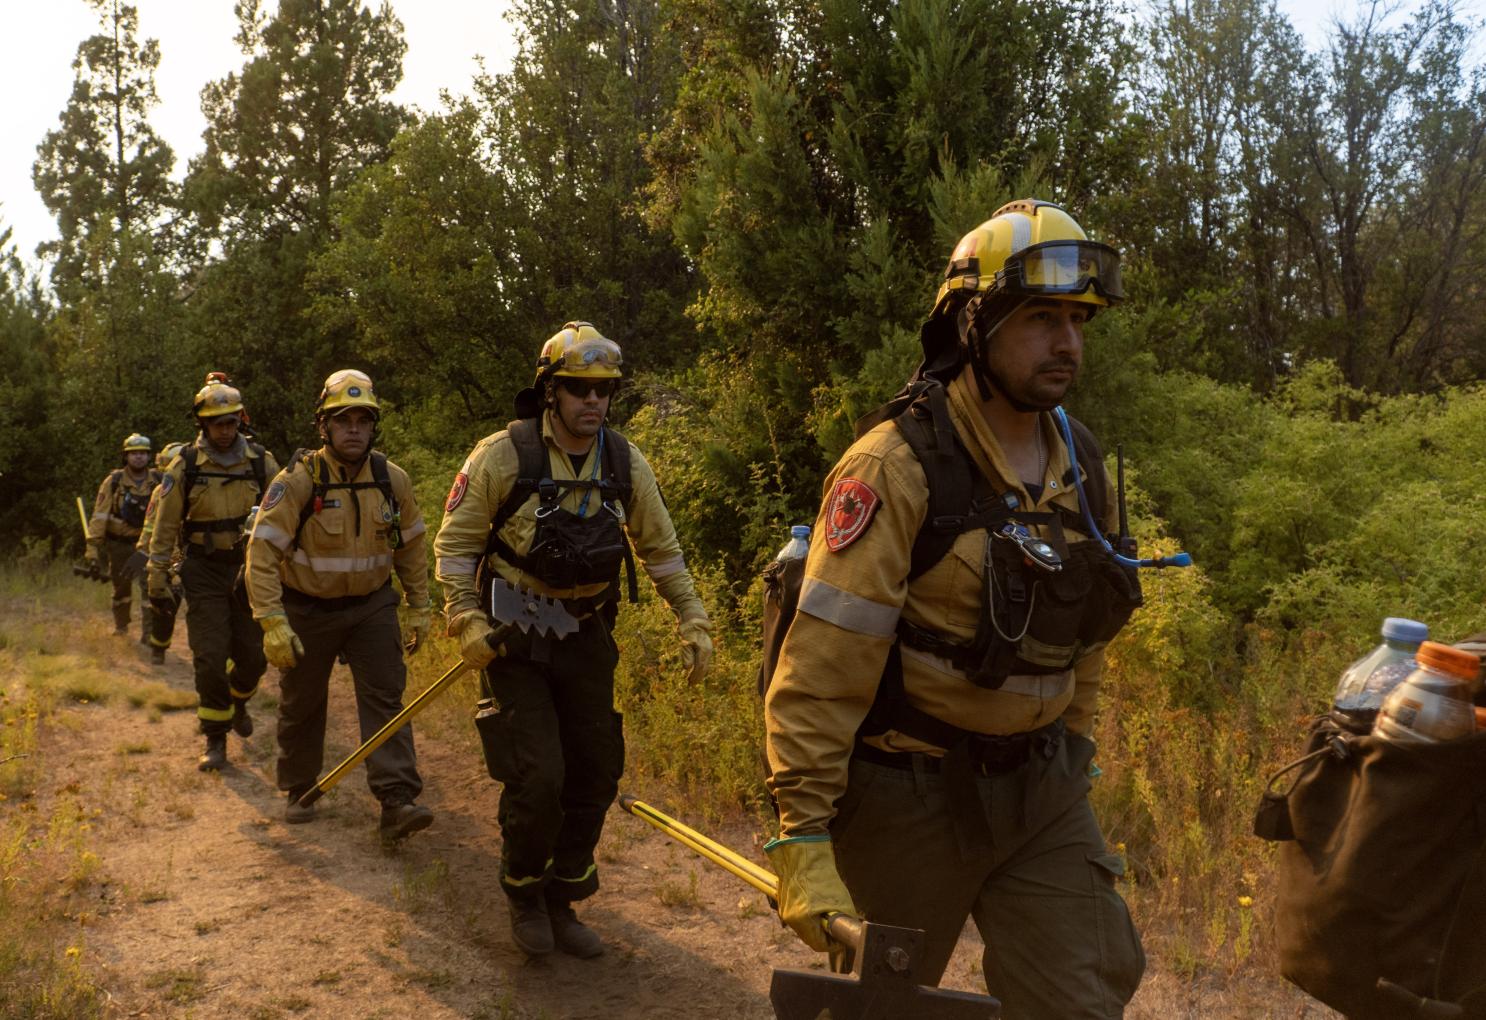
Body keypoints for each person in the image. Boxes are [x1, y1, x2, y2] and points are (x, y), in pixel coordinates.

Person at [763, 199, 1147, 1018]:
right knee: (876, 1008)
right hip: (910, 794)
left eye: (1078, 320)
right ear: (972, 322)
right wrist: (801, 830)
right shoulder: (895, 468)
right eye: (1043, 317)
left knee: (1085, 993)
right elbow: (822, 667)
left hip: (1043, 794)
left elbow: (1088, 626)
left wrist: (1075, 743)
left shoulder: (1078, 460)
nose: (1069, 343)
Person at [434, 321, 713, 959]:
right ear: (551, 392)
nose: (593, 401)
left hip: (587, 631)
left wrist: (693, 619)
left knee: (595, 769)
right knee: (540, 775)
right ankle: (524, 894)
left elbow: (662, 552)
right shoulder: (503, 457)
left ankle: (563, 898)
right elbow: (455, 545)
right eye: (579, 389)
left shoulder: (624, 461)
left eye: (604, 390)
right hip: (514, 633)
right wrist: (465, 617)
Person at [244, 369, 435, 844]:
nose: (354, 429)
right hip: (307, 609)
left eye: (363, 420)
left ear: (374, 426)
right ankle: (299, 787)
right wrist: (271, 619)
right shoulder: (298, 481)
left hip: (372, 607)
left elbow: (411, 547)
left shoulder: (393, 480)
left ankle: (396, 801)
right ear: (323, 426)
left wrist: (419, 605)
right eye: (342, 419)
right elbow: (262, 552)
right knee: (303, 701)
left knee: (386, 701)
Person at [148, 376, 279, 771]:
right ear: (203, 424)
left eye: (231, 422)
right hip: (202, 571)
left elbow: (285, 518)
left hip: (248, 571)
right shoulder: (184, 465)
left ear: (240, 420)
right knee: (209, 658)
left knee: (255, 658)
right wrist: (157, 572)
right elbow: (165, 523)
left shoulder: (261, 462)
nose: (225, 430)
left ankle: (239, 700)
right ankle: (215, 738)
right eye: (217, 422)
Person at [86, 433, 160, 640]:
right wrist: (92, 548)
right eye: (134, 453)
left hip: (147, 547)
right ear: (125, 456)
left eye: (143, 453)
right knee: (121, 589)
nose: (138, 457)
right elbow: (99, 516)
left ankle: (149, 634)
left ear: (149, 456)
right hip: (119, 546)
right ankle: (121, 626)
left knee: (151, 589)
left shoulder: (159, 481)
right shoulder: (114, 482)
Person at [128, 441, 187, 665]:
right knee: (166, 605)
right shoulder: (159, 493)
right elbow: (151, 526)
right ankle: (159, 648)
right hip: (168, 559)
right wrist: (142, 552)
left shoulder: (205, 488)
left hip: (196, 557)